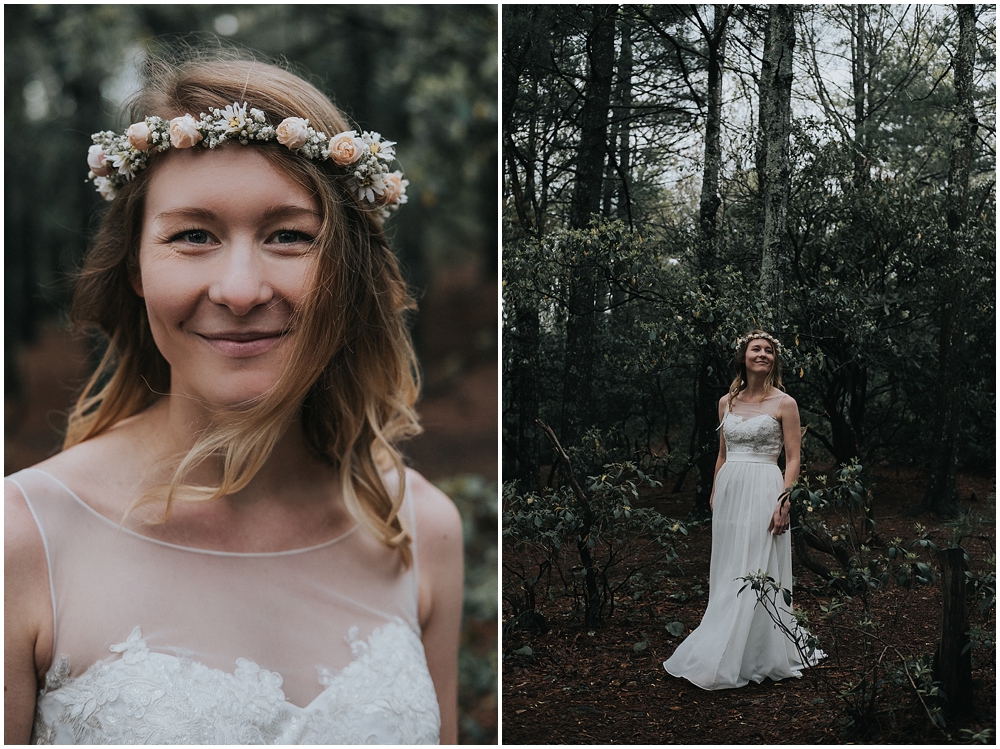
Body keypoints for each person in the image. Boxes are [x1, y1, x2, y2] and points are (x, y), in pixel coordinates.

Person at [4, 51, 463, 744]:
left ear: (347, 266)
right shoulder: (23, 539)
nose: (242, 289)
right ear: (135, 265)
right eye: (193, 235)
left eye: (289, 236)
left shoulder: (422, 529)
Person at [663, 330, 822, 689]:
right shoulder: (726, 402)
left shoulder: (786, 403)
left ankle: (757, 651)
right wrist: (716, 489)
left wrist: (784, 502)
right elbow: (722, 453)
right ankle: (722, 638)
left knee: (758, 563)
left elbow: (794, 458)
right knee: (730, 566)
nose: (763, 354)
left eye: (768, 350)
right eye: (756, 349)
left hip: (766, 485)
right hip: (731, 490)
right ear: (744, 356)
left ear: (774, 360)